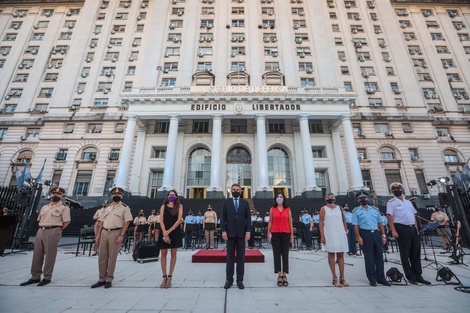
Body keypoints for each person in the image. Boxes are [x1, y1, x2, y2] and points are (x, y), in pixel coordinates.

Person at [20, 187, 71, 287]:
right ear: (51, 195)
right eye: (53, 193)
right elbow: (39, 219)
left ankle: (47, 276)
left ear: (62, 196)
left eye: (58, 194)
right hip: (41, 230)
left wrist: (58, 230)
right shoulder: (45, 207)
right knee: (37, 254)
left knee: (50, 254)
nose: (55, 195)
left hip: (53, 230)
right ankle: (35, 276)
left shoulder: (64, 207)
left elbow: (66, 221)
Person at [387, 182, 431, 285]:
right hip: (401, 228)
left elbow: (413, 215)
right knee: (405, 253)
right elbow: (389, 216)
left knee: (415, 252)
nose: (397, 190)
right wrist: (393, 230)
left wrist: (415, 227)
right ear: (392, 191)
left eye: (399, 189)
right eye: (394, 189)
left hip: (412, 228)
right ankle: (410, 276)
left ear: (402, 190)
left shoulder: (408, 202)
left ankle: (418, 275)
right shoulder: (391, 202)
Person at [91, 187, 132, 289]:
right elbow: (101, 222)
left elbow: (127, 222)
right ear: (111, 196)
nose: (116, 196)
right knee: (102, 257)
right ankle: (101, 278)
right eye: (114, 194)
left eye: (118, 195)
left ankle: (109, 278)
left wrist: (122, 235)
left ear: (121, 196)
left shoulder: (124, 207)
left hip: (116, 232)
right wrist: (98, 234)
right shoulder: (107, 208)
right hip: (104, 231)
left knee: (112, 257)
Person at [352, 192, 391, 287]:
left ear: (368, 199)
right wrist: (358, 237)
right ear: (358, 200)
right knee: (369, 257)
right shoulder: (356, 211)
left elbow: (380, 223)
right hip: (365, 233)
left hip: (376, 233)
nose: (363, 200)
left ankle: (381, 278)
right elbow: (356, 225)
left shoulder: (375, 210)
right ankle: (372, 279)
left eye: (364, 197)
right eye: (361, 198)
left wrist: (383, 235)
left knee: (379, 256)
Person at [220, 183, 251, 290]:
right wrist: (223, 231)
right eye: (234, 189)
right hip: (230, 234)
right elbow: (222, 218)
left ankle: (240, 280)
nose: (236, 191)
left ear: (241, 191)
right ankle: (229, 280)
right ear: (231, 191)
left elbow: (249, 219)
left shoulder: (245, 203)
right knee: (230, 258)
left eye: (237, 189)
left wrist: (248, 232)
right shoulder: (226, 202)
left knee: (241, 258)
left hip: (242, 234)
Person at [320, 193, 349, 287]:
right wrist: (322, 236)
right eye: (328, 197)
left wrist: (345, 230)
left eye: (332, 197)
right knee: (331, 254)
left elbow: (344, 220)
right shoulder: (323, 209)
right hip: (329, 233)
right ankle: (334, 277)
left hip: (340, 233)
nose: (330, 199)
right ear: (325, 199)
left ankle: (342, 277)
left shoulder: (339, 208)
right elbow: (321, 223)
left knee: (341, 255)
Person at [267, 192, 294, 287]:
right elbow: (270, 221)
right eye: (278, 197)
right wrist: (268, 233)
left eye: (281, 197)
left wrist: (292, 235)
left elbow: (290, 221)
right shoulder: (272, 209)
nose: (279, 198)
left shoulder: (287, 209)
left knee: (285, 254)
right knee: (276, 254)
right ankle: (279, 274)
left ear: (283, 198)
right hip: (275, 233)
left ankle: (285, 274)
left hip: (286, 233)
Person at [158, 190, 183, 289]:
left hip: (175, 231)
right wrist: (165, 232)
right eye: (170, 195)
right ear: (167, 196)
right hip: (164, 231)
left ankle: (170, 277)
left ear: (176, 197)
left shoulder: (179, 206)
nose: (171, 196)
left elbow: (179, 219)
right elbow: (161, 220)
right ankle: (164, 277)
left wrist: (169, 231)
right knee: (163, 253)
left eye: (173, 195)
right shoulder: (163, 206)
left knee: (173, 253)